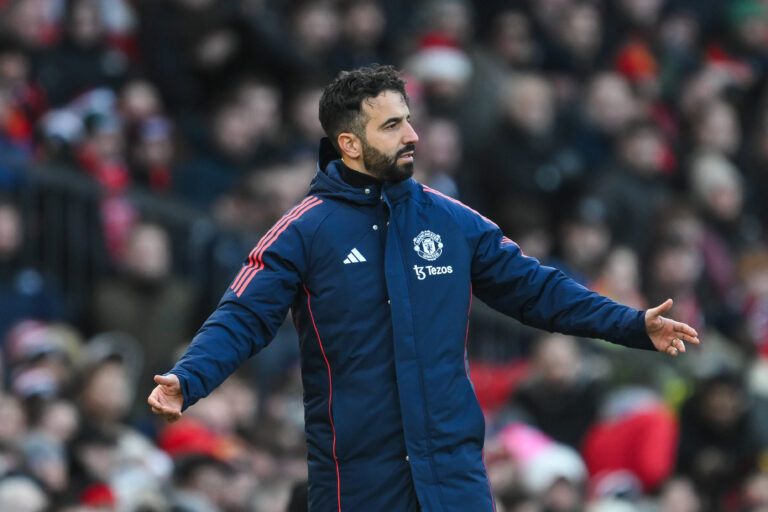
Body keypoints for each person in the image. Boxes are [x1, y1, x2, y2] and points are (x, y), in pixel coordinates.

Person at [148, 64, 700, 511]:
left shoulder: (452, 221)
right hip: (358, 481)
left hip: (455, 477)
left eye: (408, 121)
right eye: (392, 126)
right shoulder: (303, 231)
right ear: (350, 143)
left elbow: (539, 290)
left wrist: (630, 324)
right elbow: (243, 315)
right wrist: (188, 378)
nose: (413, 135)